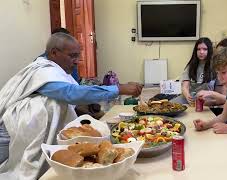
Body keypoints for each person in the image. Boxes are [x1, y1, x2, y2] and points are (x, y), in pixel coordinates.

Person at [0, 32, 142, 179]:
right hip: (12, 133)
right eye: (72, 56)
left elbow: (78, 89)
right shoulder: (43, 71)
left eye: (78, 56)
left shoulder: (56, 68)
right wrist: (118, 89)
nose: (77, 61)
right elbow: (71, 93)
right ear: (54, 53)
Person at [171, 37, 215, 105]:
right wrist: (187, 96)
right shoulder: (191, 65)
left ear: (209, 50)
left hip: (206, 99)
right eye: (198, 49)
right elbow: (185, 86)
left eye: (205, 49)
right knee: (169, 105)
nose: (201, 52)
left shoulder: (215, 66)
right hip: (190, 98)